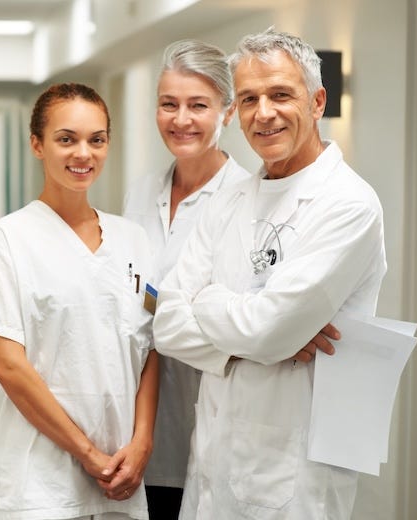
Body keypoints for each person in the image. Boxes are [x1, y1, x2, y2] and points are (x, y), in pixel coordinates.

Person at [153, 28, 387, 519]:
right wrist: (256, 335)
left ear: (318, 101)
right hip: (212, 463)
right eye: (249, 98)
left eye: (281, 94)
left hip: (294, 472)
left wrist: (211, 302)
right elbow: (168, 323)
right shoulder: (231, 196)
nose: (264, 112)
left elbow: (267, 328)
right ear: (235, 112)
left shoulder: (348, 204)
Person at [0, 82, 160, 520]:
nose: (83, 153)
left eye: (96, 140)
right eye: (66, 139)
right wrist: (87, 453)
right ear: (37, 145)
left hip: (121, 478)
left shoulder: (133, 240)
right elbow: (9, 367)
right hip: (38, 484)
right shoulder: (7, 240)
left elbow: (150, 350)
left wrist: (141, 444)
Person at [122, 39, 250, 519]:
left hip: (209, 423)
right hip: (135, 425)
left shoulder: (246, 201)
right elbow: (135, 297)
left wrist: (179, 319)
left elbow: (243, 322)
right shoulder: (141, 192)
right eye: (168, 104)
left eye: (198, 105)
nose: (181, 120)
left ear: (228, 112)